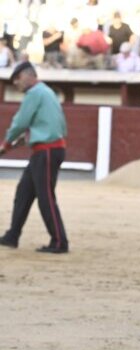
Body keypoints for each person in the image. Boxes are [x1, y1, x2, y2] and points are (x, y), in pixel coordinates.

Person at [0, 63, 69, 254]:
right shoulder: (46, 92)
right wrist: (30, 136)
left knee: (45, 197)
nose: (16, 83)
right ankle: (12, 235)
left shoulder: (34, 93)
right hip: (47, 149)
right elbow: (58, 124)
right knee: (24, 192)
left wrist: (6, 144)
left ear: (27, 75)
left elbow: (20, 122)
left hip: (46, 151)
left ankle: (59, 242)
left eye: (17, 78)